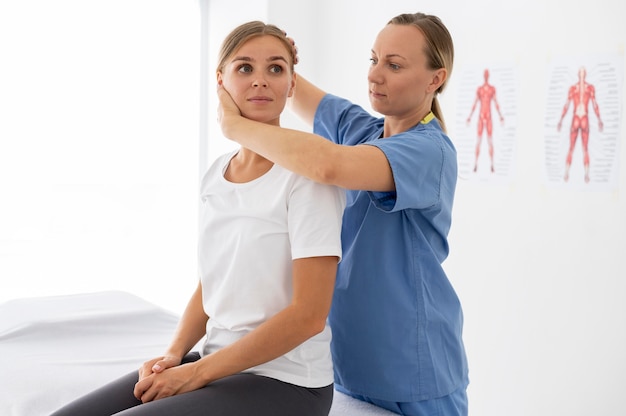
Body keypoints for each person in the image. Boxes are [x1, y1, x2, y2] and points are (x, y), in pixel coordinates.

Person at [51, 21, 345, 416]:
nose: (261, 81)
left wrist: (196, 375)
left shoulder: (307, 178)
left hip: (288, 382)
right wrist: (174, 355)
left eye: (276, 69)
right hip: (219, 365)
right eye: (245, 68)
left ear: (292, 85)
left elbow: (309, 316)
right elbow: (213, 282)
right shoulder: (217, 174)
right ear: (221, 80)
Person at [218, 12, 469, 416]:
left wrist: (234, 127)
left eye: (394, 65)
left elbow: (327, 165)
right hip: (348, 362)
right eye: (373, 60)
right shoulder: (362, 130)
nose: (376, 75)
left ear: (435, 79)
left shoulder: (429, 151)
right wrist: (281, 63)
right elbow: (297, 94)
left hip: (413, 366)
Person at [557, 66, 603, 183]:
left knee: (573, 148)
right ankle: (583, 175)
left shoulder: (575, 88)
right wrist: (599, 119)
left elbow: (567, 105)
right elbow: (594, 104)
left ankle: (568, 174)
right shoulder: (586, 88)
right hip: (583, 119)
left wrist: (561, 120)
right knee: (584, 149)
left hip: (577, 118)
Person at [466, 68, 504, 173]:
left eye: (487, 74)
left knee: (490, 140)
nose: (486, 75)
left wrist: (500, 115)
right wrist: (469, 116)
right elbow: (475, 103)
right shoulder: (480, 89)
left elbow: (496, 102)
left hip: (488, 117)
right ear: (484, 75)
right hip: (481, 116)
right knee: (478, 140)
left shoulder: (492, 89)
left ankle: (492, 164)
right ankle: (475, 164)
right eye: (485, 74)